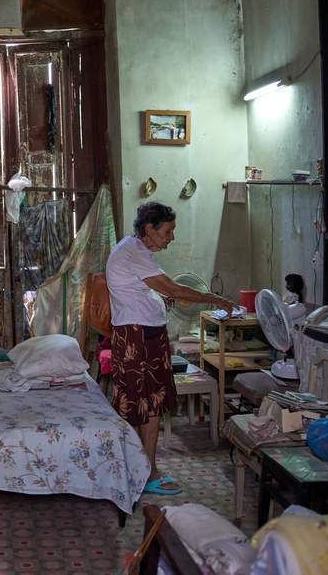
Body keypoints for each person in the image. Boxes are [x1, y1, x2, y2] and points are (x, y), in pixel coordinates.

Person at [106, 201, 237, 495]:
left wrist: (157, 298)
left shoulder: (136, 249)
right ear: (149, 229)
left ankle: (143, 469)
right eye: (167, 231)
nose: (171, 237)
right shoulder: (133, 252)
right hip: (137, 337)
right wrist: (214, 299)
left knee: (149, 404)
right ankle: (144, 473)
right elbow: (174, 289)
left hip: (146, 334)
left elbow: (148, 289)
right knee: (141, 405)